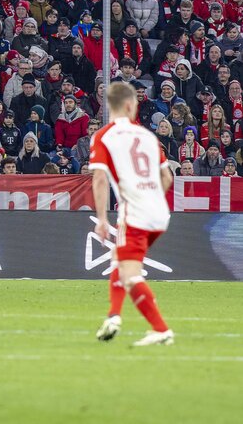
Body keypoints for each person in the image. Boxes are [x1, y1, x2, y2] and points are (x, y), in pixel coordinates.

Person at [90, 82, 175, 347]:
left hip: (135, 213)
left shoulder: (104, 136)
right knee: (120, 258)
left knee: (130, 274)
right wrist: (151, 199)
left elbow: (100, 179)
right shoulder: (148, 136)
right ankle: (113, 316)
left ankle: (160, 329)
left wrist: (102, 218)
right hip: (159, 212)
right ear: (129, 105)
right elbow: (167, 177)